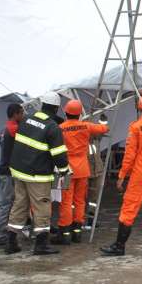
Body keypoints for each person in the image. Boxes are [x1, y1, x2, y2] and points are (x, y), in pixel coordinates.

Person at [101, 95, 142, 256]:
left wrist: (122, 176)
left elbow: (130, 154)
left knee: (129, 208)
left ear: (138, 108)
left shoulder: (136, 127)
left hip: (140, 174)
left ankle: (119, 246)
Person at [5, 92, 70, 255]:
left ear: (42, 105)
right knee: (42, 208)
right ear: (56, 108)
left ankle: (11, 242)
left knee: (19, 205)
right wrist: (64, 171)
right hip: (37, 175)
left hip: (19, 172)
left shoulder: (27, 119)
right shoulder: (52, 127)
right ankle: (41, 245)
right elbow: (59, 153)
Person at [51, 100, 109, 245]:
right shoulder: (86, 126)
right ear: (79, 114)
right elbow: (104, 129)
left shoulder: (60, 128)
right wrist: (102, 121)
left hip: (66, 169)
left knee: (66, 202)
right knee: (80, 201)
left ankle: (64, 233)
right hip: (83, 169)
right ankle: (77, 233)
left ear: (66, 112)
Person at [0, 103, 24, 246]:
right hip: (9, 171)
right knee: (6, 204)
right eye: (21, 113)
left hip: (2, 170)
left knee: (1, 203)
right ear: (15, 114)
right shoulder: (14, 129)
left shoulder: (4, 129)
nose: (23, 116)